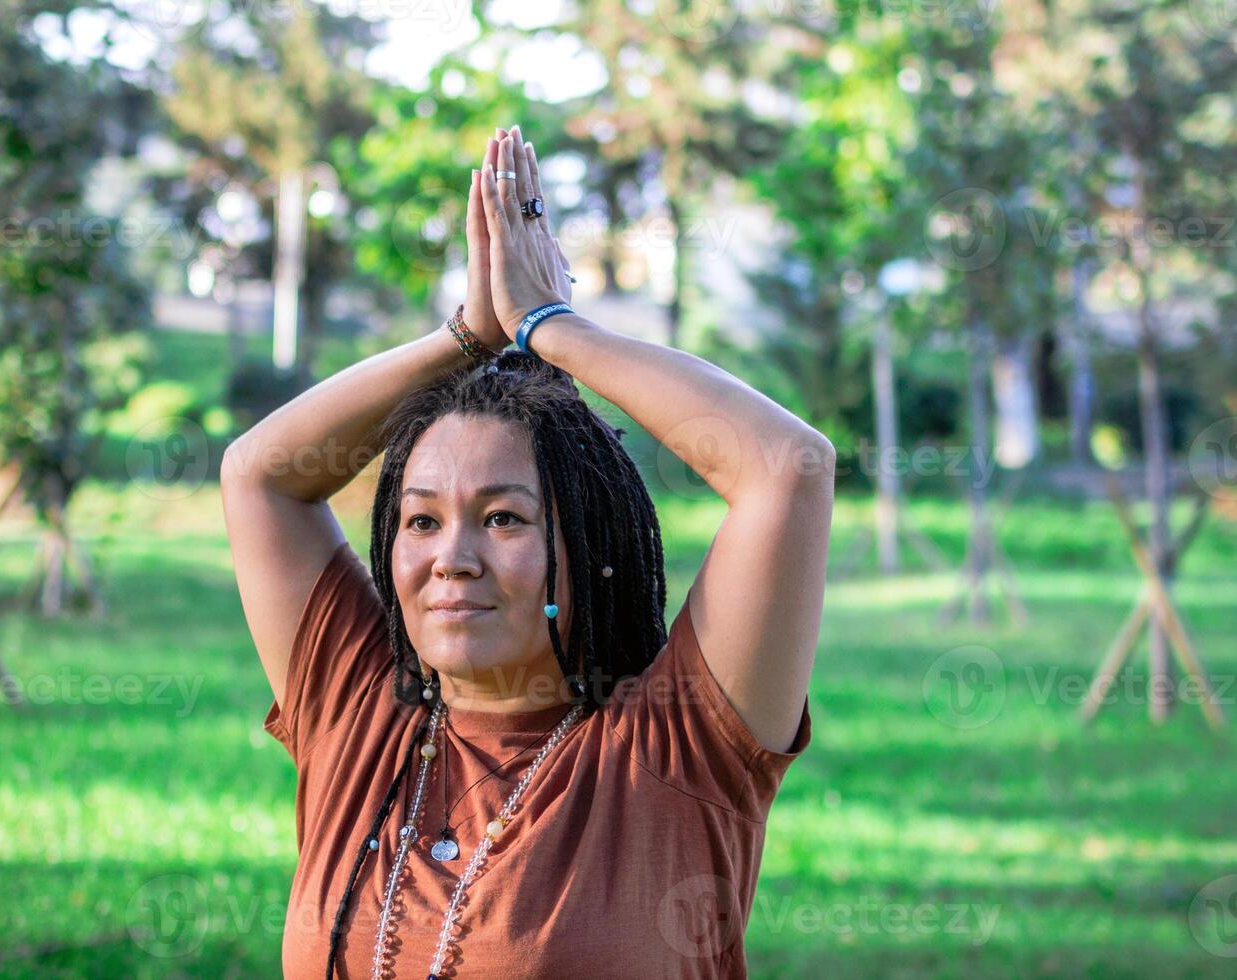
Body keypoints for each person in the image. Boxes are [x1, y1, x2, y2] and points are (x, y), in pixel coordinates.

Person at [220, 124, 835, 979]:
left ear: (588, 547)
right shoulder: (356, 714)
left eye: (503, 519)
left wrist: (549, 325)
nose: (452, 559)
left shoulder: (675, 751)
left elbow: (788, 468)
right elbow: (258, 475)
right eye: (422, 521)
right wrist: (467, 334)